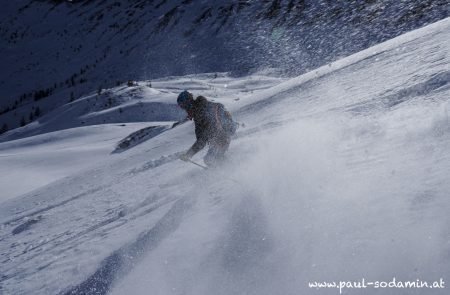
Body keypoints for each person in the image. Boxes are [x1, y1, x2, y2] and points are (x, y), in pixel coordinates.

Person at [177, 90, 237, 167]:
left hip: (222, 136)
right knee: (210, 159)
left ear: (188, 104)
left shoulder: (202, 112)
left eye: (183, 107)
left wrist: (189, 154)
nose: (185, 111)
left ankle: (228, 169)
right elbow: (202, 139)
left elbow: (201, 141)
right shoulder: (200, 110)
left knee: (210, 159)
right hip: (220, 136)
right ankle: (224, 167)